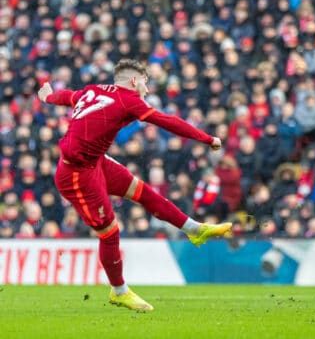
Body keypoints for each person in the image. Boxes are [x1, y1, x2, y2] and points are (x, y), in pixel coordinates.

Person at [37, 59, 232, 312]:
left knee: (142, 192)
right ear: (133, 81)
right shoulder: (129, 99)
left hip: (95, 162)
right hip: (77, 176)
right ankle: (119, 292)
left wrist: (49, 98)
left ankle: (195, 229)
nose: (147, 90)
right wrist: (207, 139)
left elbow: (68, 97)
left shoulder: (93, 90)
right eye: (145, 83)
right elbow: (166, 121)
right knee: (110, 233)